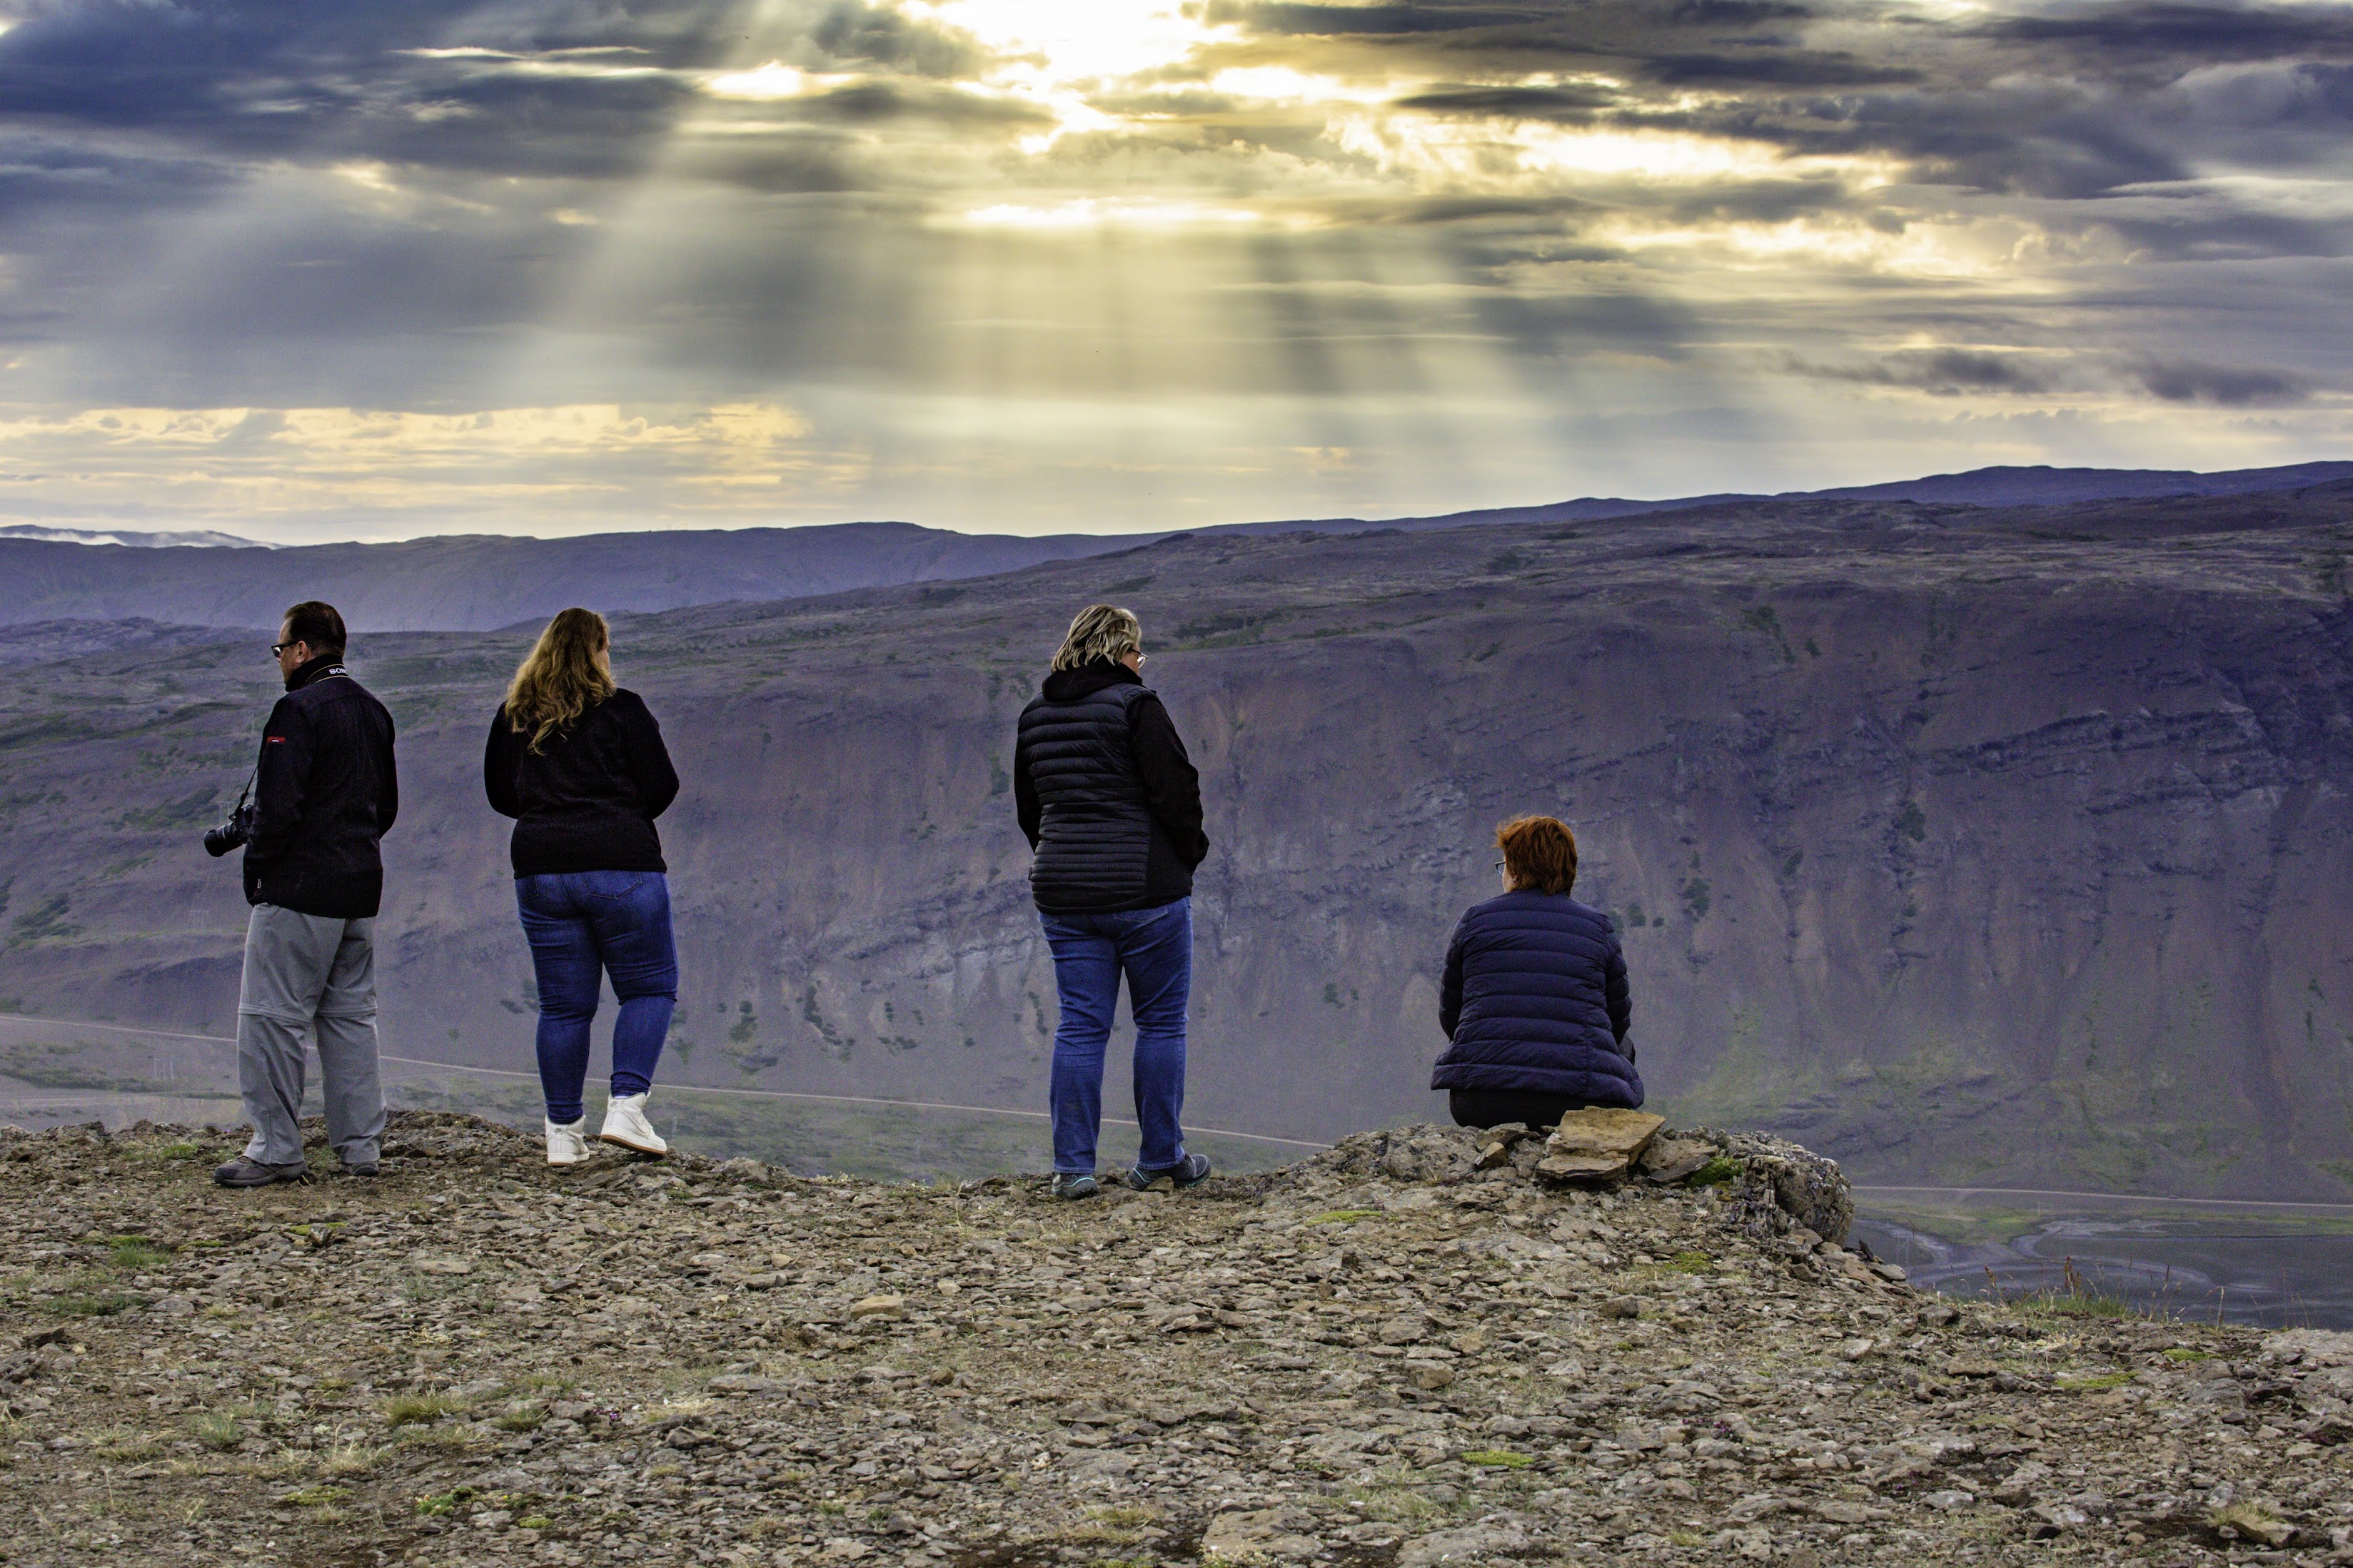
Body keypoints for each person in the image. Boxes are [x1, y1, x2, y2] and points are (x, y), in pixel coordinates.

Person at [1014, 603, 1211, 1199]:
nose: (1140, 663)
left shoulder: (1035, 716)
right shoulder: (1137, 707)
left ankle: (1072, 1169)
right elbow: (1177, 793)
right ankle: (1160, 1159)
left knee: (1079, 1026)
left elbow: (1031, 811)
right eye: (1137, 653)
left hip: (1066, 896)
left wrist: (1067, 860)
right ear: (1118, 649)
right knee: (1159, 1023)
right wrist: (1188, 856)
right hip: (1145, 892)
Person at [209, 602, 398, 1188]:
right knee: (348, 1017)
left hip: (300, 889)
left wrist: (259, 871)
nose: (279, 660)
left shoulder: (296, 709)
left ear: (300, 650)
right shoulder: (374, 710)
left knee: (272, 1016)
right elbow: (385, 807)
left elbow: (276, 810)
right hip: (359, 887)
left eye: (279, 649)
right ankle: (361, 1147)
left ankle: (275, 1147)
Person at [485, 608, 682, 1165]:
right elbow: (662, 786)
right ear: (596, 651)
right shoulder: (623, 711)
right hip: (623, 866)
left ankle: (563, 1135)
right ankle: (626, 1107)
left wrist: (551, 813)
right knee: (648, 989)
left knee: (564, 1007)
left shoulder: (515, 715)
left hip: (541, 870)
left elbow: (501, 795)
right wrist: (615, 817)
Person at [1430, 814, 1639, 1130]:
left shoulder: (1475, 921)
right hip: (1577, 1103)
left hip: (1482, 1101)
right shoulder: (1597, 928)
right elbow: (1617, 1019)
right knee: (1623, 1046)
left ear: (1514, 870)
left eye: (1504, 866)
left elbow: (1452, 1014)